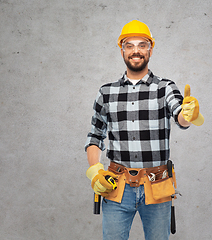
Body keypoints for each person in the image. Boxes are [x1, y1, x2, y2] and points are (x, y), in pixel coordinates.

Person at [84, 20, 204, 240]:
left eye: (142, 45)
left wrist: (189, 115)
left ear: (151, 48)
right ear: (122, 50)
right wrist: (95, 171)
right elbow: (95, 136)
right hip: (116, 186)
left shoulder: (165, 87)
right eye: (129, 45)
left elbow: (180, 117)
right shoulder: (106, 92)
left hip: (156, 185)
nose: (136, 51)